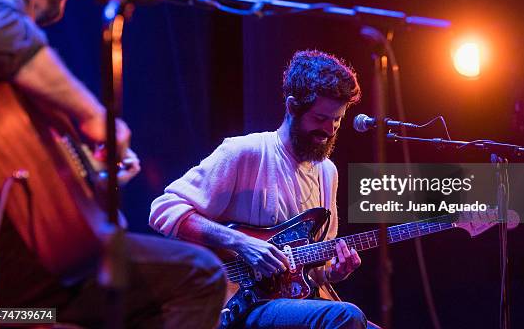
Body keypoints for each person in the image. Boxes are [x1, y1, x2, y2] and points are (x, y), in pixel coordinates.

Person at [0, 0, 225, 327]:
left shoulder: (8, 77)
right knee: (197, 276)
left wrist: (94, 176)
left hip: (13, 304)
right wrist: (94, 114)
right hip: (11, 303)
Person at [150, 50, 369, 329]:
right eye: (320, 118)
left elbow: (307, 271)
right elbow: (164, 210)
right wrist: (241, 242)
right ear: (292, 106)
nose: (330, 129)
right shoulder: (245, 152)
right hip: (240, 302)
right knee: (345, 317)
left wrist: (332, 273)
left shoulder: (328, 172)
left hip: (291, 303)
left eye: (337, 120)